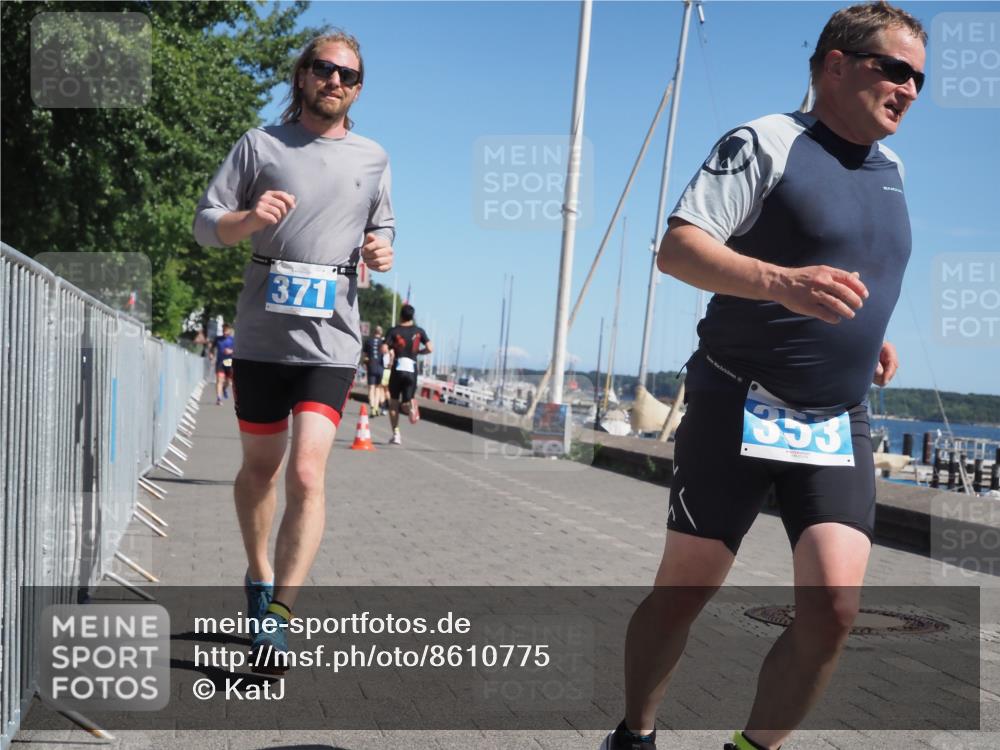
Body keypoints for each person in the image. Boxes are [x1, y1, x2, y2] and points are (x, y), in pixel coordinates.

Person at [602, 3, 923, 749]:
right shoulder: (765, 142)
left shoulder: (894, 168)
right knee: (685, 592)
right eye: (895, 69)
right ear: (837, 65)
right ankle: (635, 735)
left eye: (920, 78)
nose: (909, 88)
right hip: (736, 399)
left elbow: (855, 264)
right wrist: (781, 284)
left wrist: (869, 337)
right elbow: (679, 250)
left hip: (837, 416)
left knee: (835, 609)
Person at [192, 30, 394, 673]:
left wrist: (380, 251)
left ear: (358, 88)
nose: (336, 81)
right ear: (302, 75)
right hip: (260, 337)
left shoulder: (373, 158)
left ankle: (280, 612)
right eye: (324, 69)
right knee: (261, 472)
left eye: (349, 75)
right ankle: (257, 577)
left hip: (331, 340)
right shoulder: (262, 145)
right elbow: (205, 224)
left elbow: (381, 226)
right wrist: (248, 221)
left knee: (308, 472)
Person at [384, 304, 432, 445]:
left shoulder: (394, 331)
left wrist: (389, 352)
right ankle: (411, 406)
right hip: (412, 369)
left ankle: (396, 434)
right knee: (406, 401)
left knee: (394, 403)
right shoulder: (419, 331)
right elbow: (430, 348)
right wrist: (419, 352)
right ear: (412, 316)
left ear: (400, 315)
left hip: (398, 368)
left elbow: (384, 347)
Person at [209, 323, 235, 405]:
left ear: (230, 330)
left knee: (228, 381)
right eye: (223, 330)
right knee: (219, 380)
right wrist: (211, 354)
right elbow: (212, 348)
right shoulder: (217, 339)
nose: (224, 332)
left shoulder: (233, 340)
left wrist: (231, 351)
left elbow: (239, 351)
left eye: (226, 330)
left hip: (229, 363)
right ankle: (219, 399)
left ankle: (224, 388)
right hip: (220, 363)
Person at [363, 325, 385, 415]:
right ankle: (376, 407)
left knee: (371, 388)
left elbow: (365, 356)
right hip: (380, 367)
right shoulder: (383, 342)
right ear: (381, 333)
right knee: (378, 388)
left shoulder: (368, 341)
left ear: (373, 332)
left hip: (371, 366)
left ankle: (372, 407)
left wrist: (365, 363)